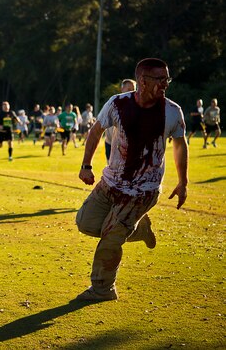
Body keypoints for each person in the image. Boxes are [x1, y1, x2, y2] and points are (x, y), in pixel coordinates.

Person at [75, 58, 188, 301]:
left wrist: (183, 181)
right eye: (159, 79)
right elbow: (96, 131)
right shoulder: (117, 104)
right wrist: (86, 165)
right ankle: (138, 230)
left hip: (143, 191)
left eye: (166, 79)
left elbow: (180, 145)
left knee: (110, 236)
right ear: (142, 81)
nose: (164, 84)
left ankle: (102, 289)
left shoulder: (171, 111)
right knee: (85, 222)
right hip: (111, 182)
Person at [104, 79, 136, 163]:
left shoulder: (137, 107)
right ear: (122, 89)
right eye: (129, 89)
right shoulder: (113, 104)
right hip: (110, 144)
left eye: (134, 90)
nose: (132, 92)